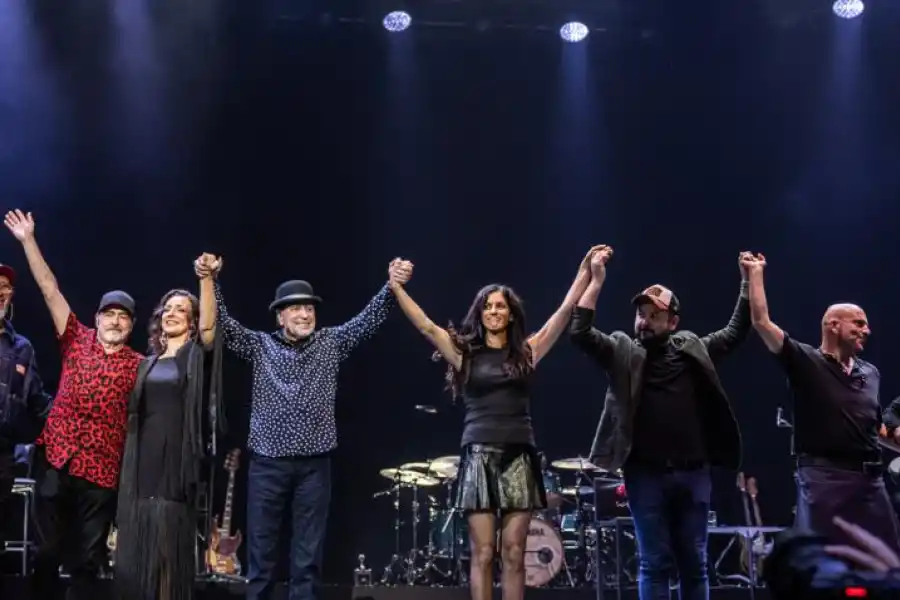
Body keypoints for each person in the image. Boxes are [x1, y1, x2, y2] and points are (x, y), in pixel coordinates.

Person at [388, 247, 598, 600]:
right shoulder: (464, 354)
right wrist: (396, 288)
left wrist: (584, 271)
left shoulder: (528, 352)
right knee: (484, 553)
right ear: (480, 314)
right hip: (479, 454)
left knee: (514, 553)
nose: (494, 311)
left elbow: (562, 314)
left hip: (518, 455)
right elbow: (425, 324)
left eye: (500, 306)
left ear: (511, 313)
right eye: (487, 306)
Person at [215, 258, 405, 600]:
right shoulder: (261, 346)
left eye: (309, 308)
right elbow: (223, 326)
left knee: (307, 556)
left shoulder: (330, 343)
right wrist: (211, 280)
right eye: (296, 309)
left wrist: (392, 285)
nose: (305, 315)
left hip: (314, 466)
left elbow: (368, 321)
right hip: (267, 464)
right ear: (280, 316)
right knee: (261, 553)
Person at [570, 247, 753, 600]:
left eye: (655, 315)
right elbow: (580, 332)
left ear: (673, 322)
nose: (644, 321)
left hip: (693, 473)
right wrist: (596, 279)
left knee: (695, 564)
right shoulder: (622, 350)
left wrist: (747, 281)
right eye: (641, 314)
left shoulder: (693, 348)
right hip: (645, 474)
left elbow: (735, 332)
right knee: (653, 563)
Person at [4, 209, 143, 600]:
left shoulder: (140, 366)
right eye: (109, 314)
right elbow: (49, 288)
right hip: (58, 459)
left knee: (88, 559)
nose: (115, 321)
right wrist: (28, 239)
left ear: (131, 327)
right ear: (97, 318)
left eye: (123, 318)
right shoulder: (75, 339)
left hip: (101, 471)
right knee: (46, 552)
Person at [744, 253, 900, 554]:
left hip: (870, 481)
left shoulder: (870, 373)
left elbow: (873, 430)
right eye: (858, 323)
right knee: (826, 562)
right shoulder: (806, 361)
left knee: (886, 562)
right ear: (832, 325)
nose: (866, 330)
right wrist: (756, 272)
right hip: (823, 478)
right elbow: (761, 322)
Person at [113, 253, 223, 600]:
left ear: (190, 321)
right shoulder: (144, 365)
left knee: (167, 556)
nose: (172, 313)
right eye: (168, 308)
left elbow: (210, 330)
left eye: (181, 308)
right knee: (138, 555)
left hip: (176, 462)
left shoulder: (193, 357)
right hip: (141, 464)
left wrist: (206, 279)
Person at [0, 262, 52, 578]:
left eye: (4, 287)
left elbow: (38, 402)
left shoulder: (22, 348)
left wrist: (71, 422)